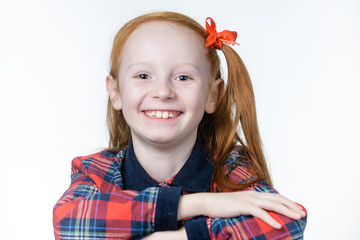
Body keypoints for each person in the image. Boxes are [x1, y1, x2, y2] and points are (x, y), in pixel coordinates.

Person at [53, 11, 307, 240]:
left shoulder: (230, 171)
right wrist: (199, 204)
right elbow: (67, 222)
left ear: (212, 95)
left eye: (183, 77)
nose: (163, 92)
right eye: (143, 76)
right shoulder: (96, 171)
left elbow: (288, 223)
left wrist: (184, 236)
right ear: (115, 91)